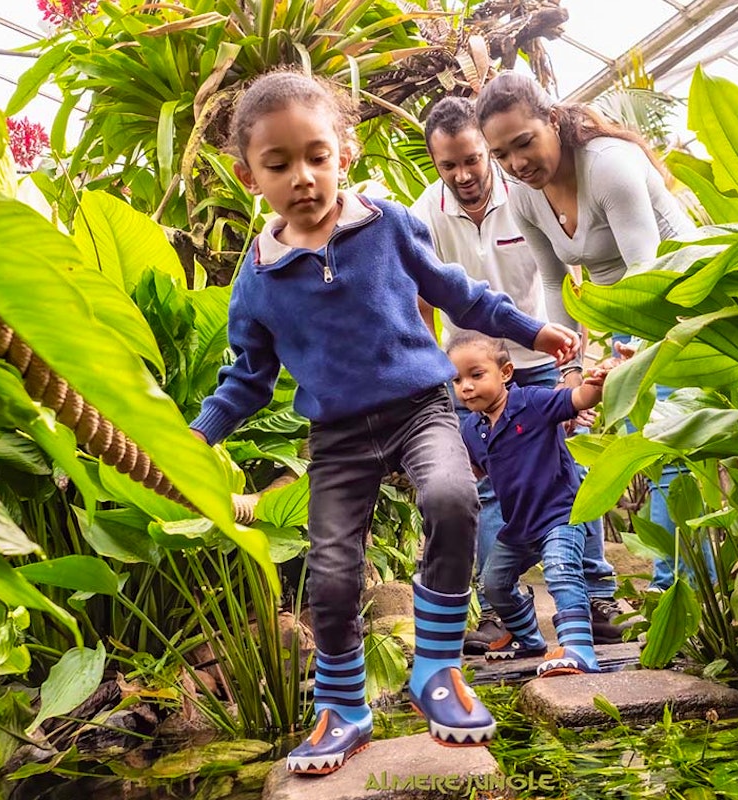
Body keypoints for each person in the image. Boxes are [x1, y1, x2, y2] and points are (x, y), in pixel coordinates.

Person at [189, 69, 579, 776]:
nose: (303, 177)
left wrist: (532, 328)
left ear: (345, 151)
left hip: (420, 407)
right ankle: (342, 706)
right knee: (332, 574)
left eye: (316, 155)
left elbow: (457, 293)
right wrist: (193, 438)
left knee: (452, 498)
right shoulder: (257, 280)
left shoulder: (391, 224)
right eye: (279, 165)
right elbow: (247, 378)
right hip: (337, 435)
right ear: (251, 176)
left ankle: (435, 667)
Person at [409, 96, 625, 649]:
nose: (462, 175)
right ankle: (502, 614)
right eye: (447, 165)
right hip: (468, 373)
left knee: (572, 471)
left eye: (472, 160)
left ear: (487, 150)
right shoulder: (423, 214)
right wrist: (434, 379)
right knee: (484, 489)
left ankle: (596, 592)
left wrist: (573, 365)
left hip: (539, 360)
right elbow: (422, 303)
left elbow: (564, 278)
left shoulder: (529, 195)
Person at [476, 71, 702, 591]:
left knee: (671, 455)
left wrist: (633, 356)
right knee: (638, 453)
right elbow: (556, 284)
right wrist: (571, 368)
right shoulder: (525, 195)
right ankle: (679, 596)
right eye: (502, 153)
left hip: (682, 311)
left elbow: (646, 272)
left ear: (552, 120)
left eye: (525, 142)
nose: (516, 163)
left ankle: (674, 591)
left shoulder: (610, 168)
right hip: (626, 326)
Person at [448, 331, 617, 677]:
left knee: (561, 571)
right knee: (493, 583)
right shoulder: (472, 430)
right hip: (519, 526)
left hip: (559, 515)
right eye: (457, 379)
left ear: (506, 373)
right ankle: (529, 638)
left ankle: (579, 648)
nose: (465, 387)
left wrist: (599, 381)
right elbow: (477, 470)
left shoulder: (535, 402)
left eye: (476, 375)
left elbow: (581, 398)